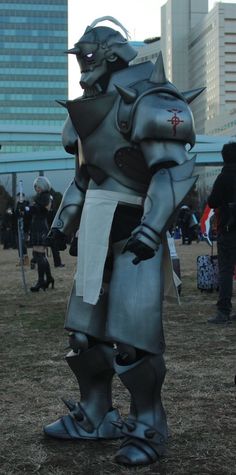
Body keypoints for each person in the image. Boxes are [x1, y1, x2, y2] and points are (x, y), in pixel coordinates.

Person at [43, 17, 201, 466]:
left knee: (133, 339)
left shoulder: (148, 99)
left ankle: (149, 424)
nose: (82, 66)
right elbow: (85, 177)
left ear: (112, 55)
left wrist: (152, 227)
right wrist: (63, 224)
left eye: (88, 56)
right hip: (98, 223)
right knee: (84, 332)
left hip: (134, 225)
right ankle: (96, 415)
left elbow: (172, 170)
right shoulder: (89, 112)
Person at [207, 141, 236, 324]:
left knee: (225, 270)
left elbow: (212, 202)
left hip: (228, 229)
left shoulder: (223, 177)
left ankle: (223, 312)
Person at [28, 176, 54, 292]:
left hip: (40, 227)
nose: (36, 188)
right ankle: (48, 278)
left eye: (38, 186)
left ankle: (41, 281)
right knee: (39, 254)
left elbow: (38, 209)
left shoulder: (45, 197)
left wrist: (28, 208)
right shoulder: (41, 197)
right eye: (35, 187)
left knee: (39, 255)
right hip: (37, 226)